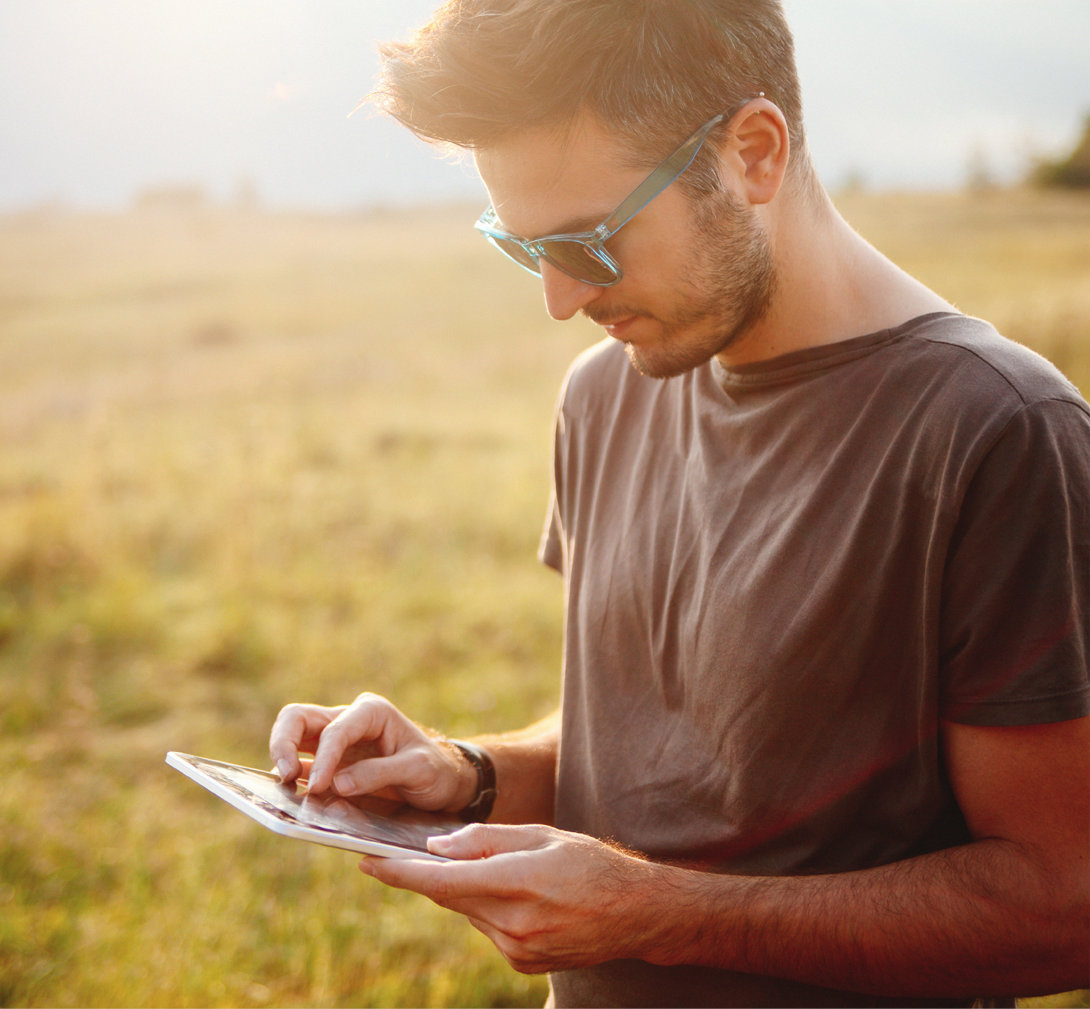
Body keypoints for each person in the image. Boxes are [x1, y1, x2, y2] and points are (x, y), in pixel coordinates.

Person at [269, 2, 1090, 1005]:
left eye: (589, 241)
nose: (561, 300)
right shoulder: (603, 394)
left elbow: (1062, 902)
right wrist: (464, 769)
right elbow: (656, 746)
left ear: (751, 154)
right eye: (524, 249)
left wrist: (658, 912)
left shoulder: (998, 431)